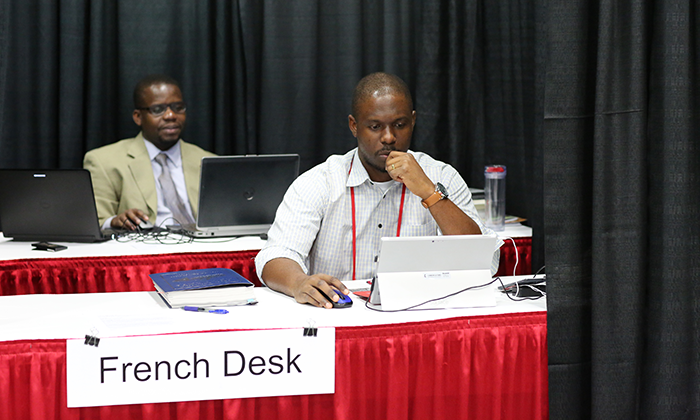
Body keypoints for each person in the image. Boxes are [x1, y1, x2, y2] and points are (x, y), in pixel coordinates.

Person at [255, 72, 499, 308]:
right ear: (354, 126)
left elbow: (485, 263)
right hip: (338, 314)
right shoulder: (320, 182)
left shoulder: (441, 176)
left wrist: (429, 191)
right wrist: (299, 282)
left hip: (417, 313)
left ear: (413, 120)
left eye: (400, 125)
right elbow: (275, 255)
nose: (389, 137)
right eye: (375, 127)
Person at [84, 75, 215, 230]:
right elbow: (94, 222)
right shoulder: (104, 161)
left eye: (178, 107)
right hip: (143, 249)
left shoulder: (208, 161)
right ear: (138, 117)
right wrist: (114, 221)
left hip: (203, 247)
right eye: (158, 110)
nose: (170, 116)